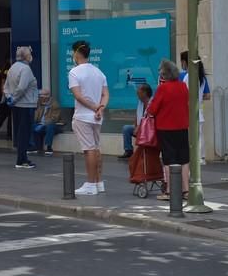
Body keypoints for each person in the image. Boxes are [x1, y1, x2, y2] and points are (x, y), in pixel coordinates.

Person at [69, 41, 109, 196]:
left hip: (83, 116)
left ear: (76, 53)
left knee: (89, 150)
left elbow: (78, 96)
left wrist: (94, 108)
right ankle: (98, 183)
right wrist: (101, 108)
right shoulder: (99, 72)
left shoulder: (74, 72)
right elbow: (105, 94)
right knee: (96, 148)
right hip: (97, 117)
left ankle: (91, 184)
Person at [147, 60, 190, 201]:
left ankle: (170, 191)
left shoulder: (163, 89)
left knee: (169, 159)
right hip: (182, 126)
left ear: (164, 75)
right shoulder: (183, 86)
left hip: (166, 128)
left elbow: (152, 110)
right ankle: (186, 190)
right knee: (184, 159)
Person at [4, 46, 39, 169]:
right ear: (26, 56)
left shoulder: (12, 68)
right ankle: (22, 160)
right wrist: (14, 98)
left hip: (16, 106)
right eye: (30, 54)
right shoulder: (26, 69)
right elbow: (22, 87)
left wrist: (9, 98)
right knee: (24, 133)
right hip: (26, 105)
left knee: (20, 132)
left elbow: (6, 86)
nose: (31, 56)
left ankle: (21, 158)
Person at [181, 52, 211, 165]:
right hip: (197, 111)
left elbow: (186, 94)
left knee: (193, 137)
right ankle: (201, 157)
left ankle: (197, 158)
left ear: (185, 62)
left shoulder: (189, 76)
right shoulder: (200, 76)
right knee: (199, 135)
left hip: (190, 111)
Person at [118, 84, 153, 160]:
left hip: (148, 129)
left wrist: (139, 127)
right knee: (126, 128)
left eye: (138, 92)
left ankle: (144, 154)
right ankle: (128, 151)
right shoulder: (140, 102)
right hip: (140, 127)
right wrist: (135, 125)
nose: (137, 93)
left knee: (138, 130)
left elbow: (148, 120)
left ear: (144, 93)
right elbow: (137, 115)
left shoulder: (152, 103)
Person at [28, 88, 62, 156]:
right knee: (32, 126)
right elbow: (36, 117)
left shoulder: (54, 104)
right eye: (40, 97)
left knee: (50, 127)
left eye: (42, 97)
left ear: (47, 96)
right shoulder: (39, 104)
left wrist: (43, 125)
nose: (41, 98)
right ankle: (34, 146)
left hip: (53, 125)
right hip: (41, 124)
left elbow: (54, 118)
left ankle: (49, 147)